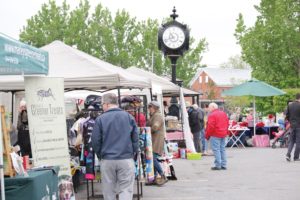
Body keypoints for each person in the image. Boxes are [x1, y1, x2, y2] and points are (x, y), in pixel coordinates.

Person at [91, 93, 139, 200]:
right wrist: (133, 153)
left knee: (108, 191)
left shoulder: (100, 119)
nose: (102, 106)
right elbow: (135, 139)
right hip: (126, 158)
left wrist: (100, 155)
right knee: (126, 190)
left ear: (107, 104)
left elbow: (95, 141)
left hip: (107, 159)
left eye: (102, 104)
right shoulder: (129, 117)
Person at [146, 101, 168, 186]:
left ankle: (163, 175)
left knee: (153, 158)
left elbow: (155, 127)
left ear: (154, 108)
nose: (149, 109)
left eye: (150, 107)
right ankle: (154, 178)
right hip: (153, 140)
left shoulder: (157, 116)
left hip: (156, 140)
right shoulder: (154, 115)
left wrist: (146, 131)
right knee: (151, 159)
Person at [205, 102, 229, 170]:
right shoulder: (223, 113)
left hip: (215, 134)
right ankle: (223, 164)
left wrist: (207, 135)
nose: (208, 109)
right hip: (223, 133)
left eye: (209, 107)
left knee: (216, 149)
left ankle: (218, 165)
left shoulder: (212, 115)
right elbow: (227, 123)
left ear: (213, 107)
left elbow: (210, 126)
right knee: (222, 149)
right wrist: (226, 132)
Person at [285, 93, 300, 162]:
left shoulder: (290, 105)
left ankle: (288, 155)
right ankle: (296, 157)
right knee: (298, 142)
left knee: (291, 141)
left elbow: (287, 115)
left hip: (292, 126)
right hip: (299, 126)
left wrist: (290, 121)